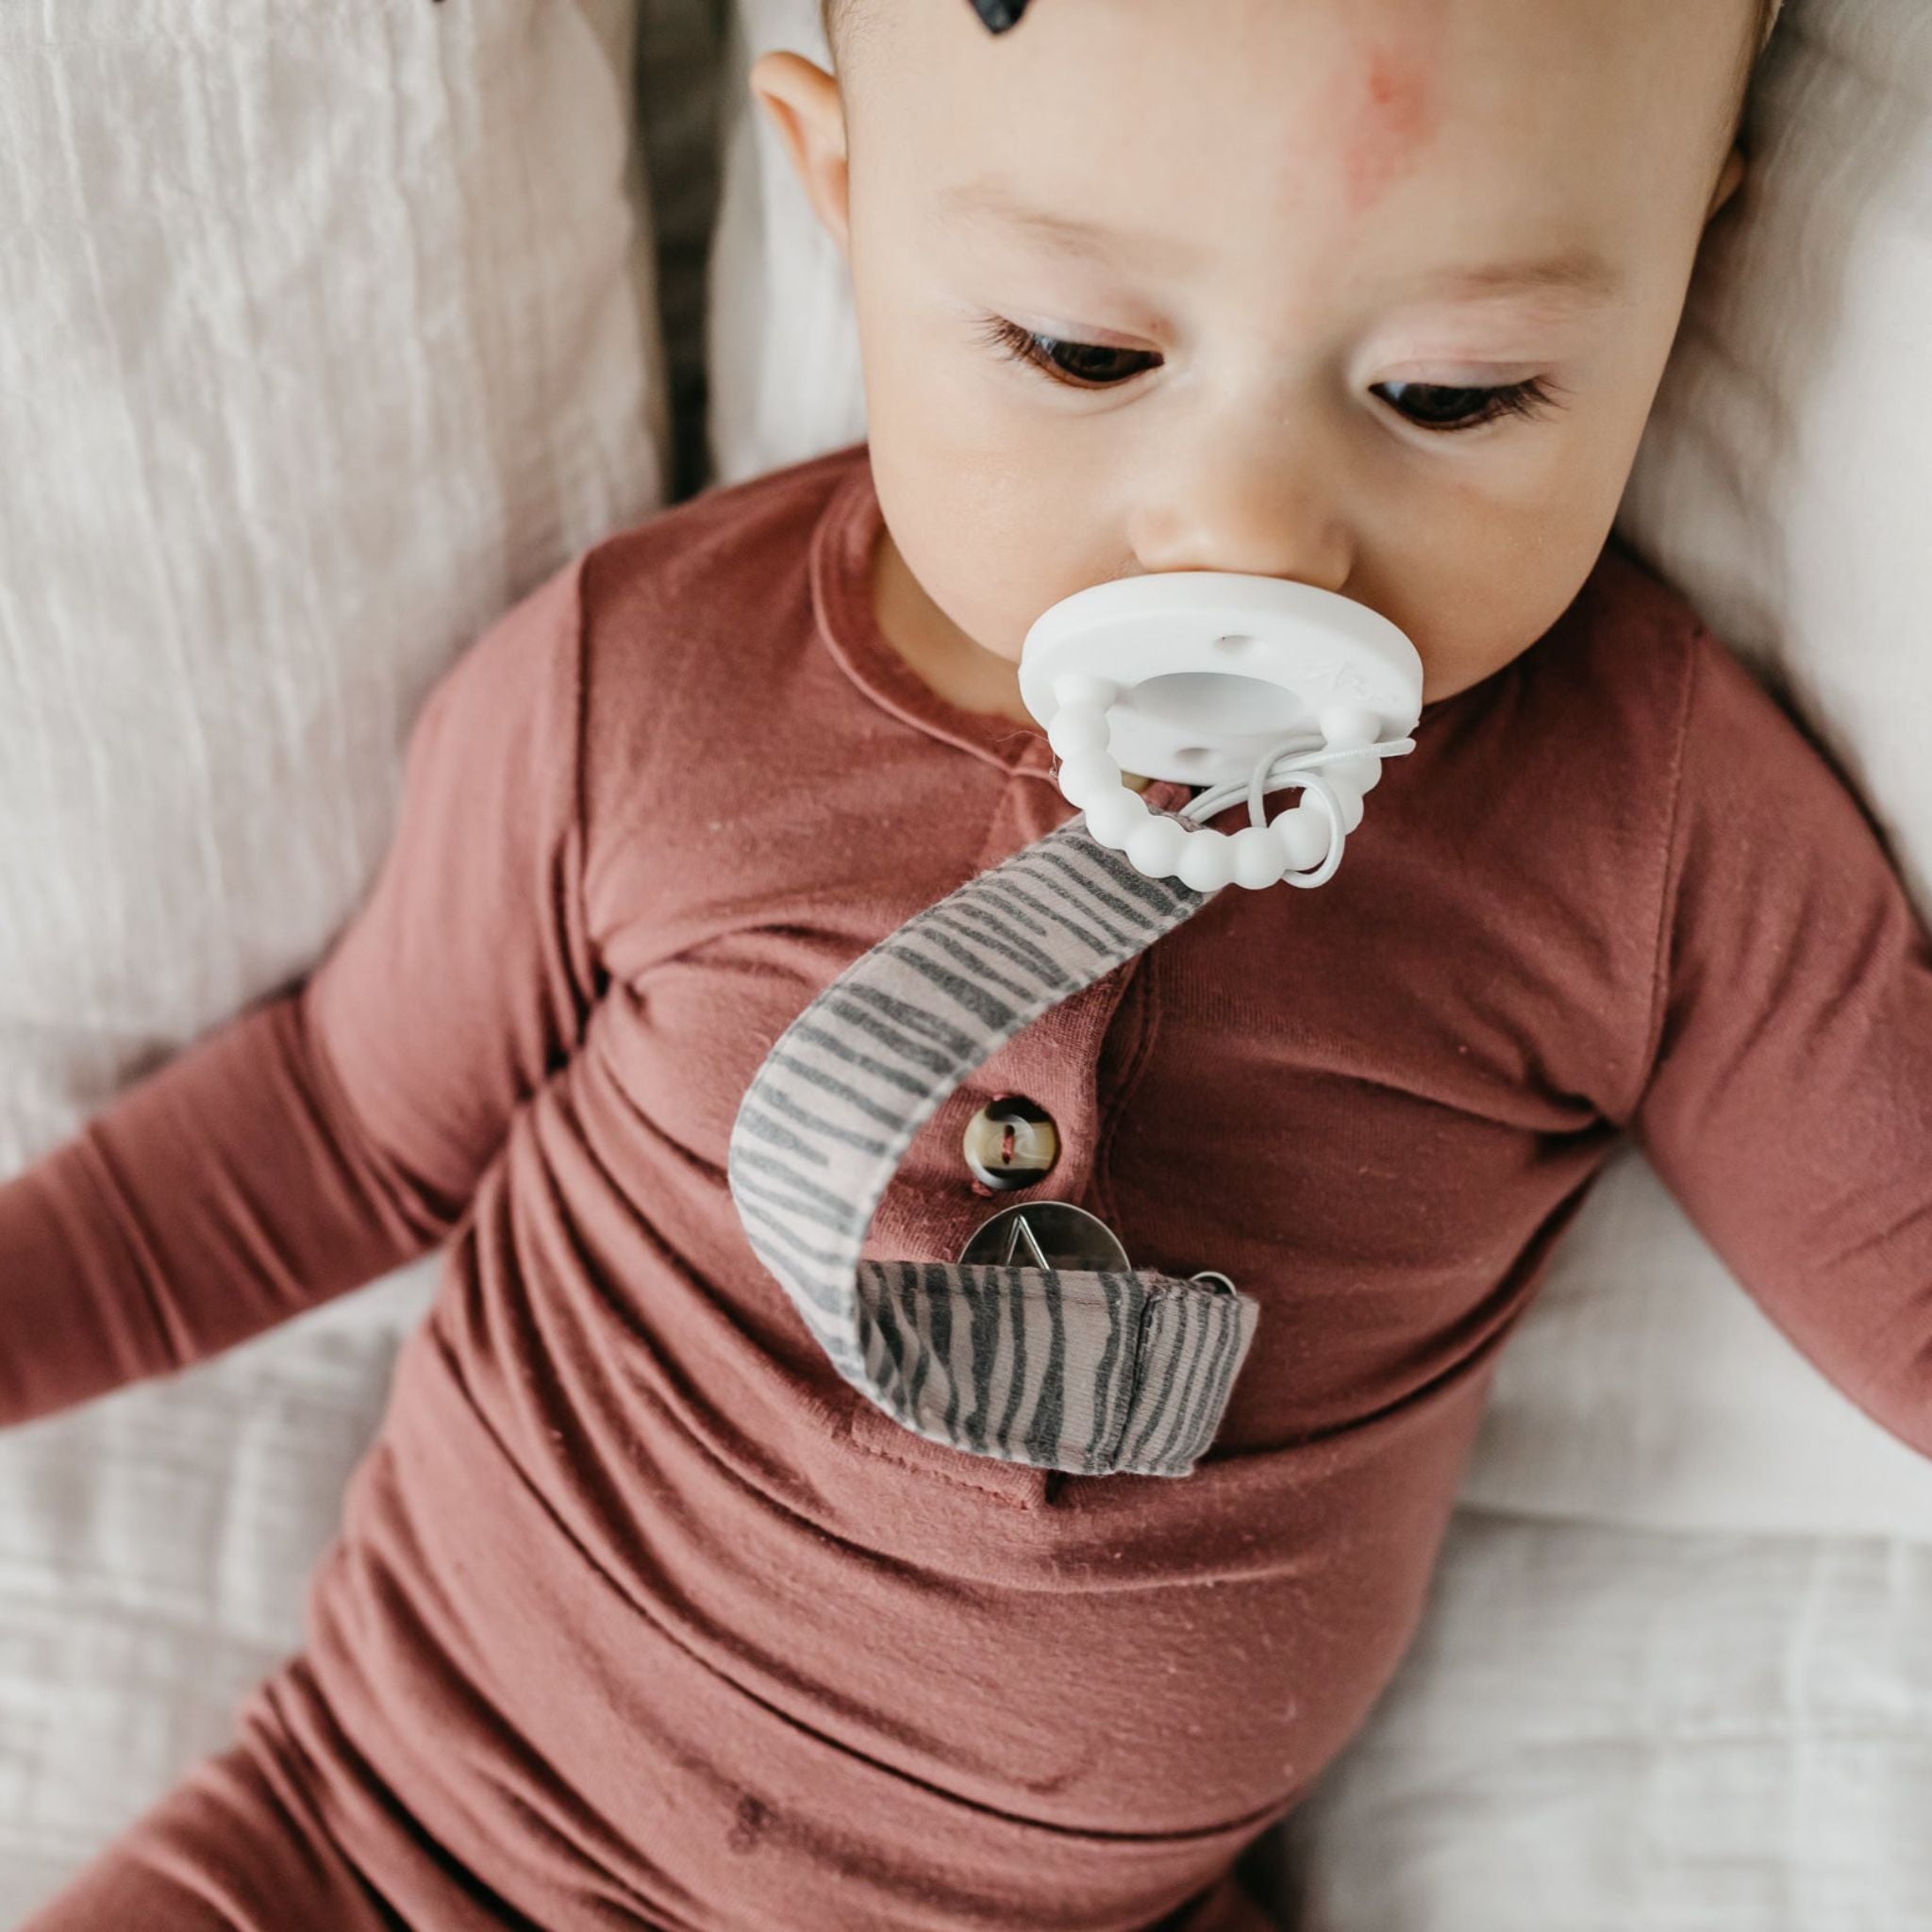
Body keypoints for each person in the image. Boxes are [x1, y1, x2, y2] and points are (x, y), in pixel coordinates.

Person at [9, 0, 1923, 1928]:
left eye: (1455, 392)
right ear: (845, 196)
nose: (1247, 533)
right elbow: (328, 1129)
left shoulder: (1642, 817)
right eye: (1087, 354)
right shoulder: (659, 685)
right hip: (380, 1834)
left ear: (1688, 267)